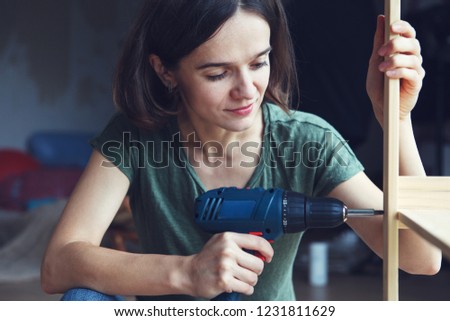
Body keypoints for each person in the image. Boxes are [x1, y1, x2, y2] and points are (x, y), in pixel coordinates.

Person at [41, 0, 441, 301]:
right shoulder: (136, 137)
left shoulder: (308, 142)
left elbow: (422, 258)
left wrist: (396, 119)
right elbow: (59, 263)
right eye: (217, 73)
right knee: (83, 299)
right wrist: (188, 273)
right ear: (165, 70)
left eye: (259, 62)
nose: (247, 89)